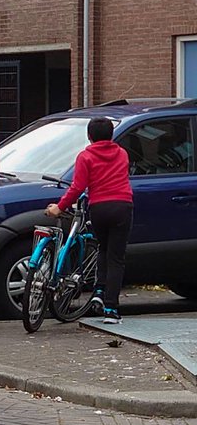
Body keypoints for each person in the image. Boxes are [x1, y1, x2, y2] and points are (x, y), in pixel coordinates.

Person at [45, 118, 133, 324]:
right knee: (116, 257)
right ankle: (110, 308)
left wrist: (60, 207)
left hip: (99, 207)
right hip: (122, 206)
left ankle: (98, 291)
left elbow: (77, 187)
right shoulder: (122, 153)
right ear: (111, 135)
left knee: (102, 247)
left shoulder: (85, 156)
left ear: (89, 136)